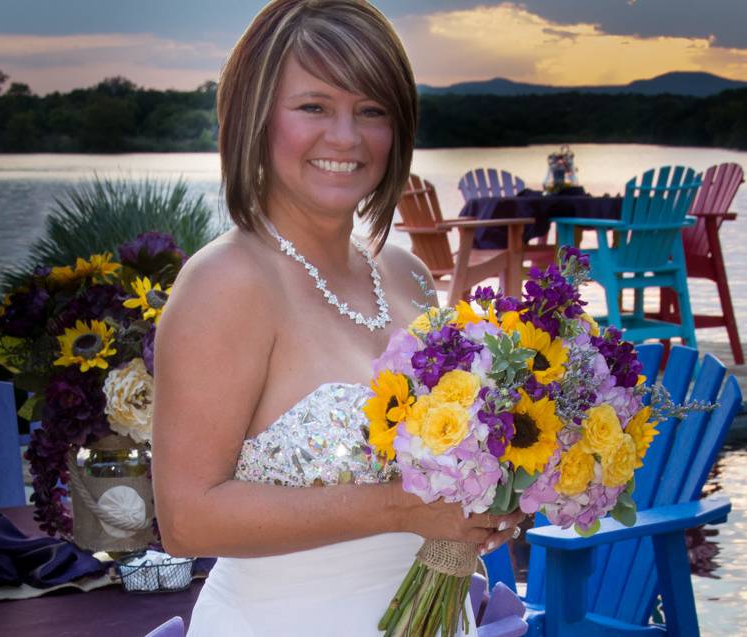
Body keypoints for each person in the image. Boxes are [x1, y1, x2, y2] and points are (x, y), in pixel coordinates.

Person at [151, 1, 525, 634]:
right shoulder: (225, 284)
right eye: (314, 106)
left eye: (372, 110)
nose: (346, 138)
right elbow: (187, 520)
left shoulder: (407, 275)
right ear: (256, 116)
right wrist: (401, 509)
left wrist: (497, 496)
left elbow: (444, 474)